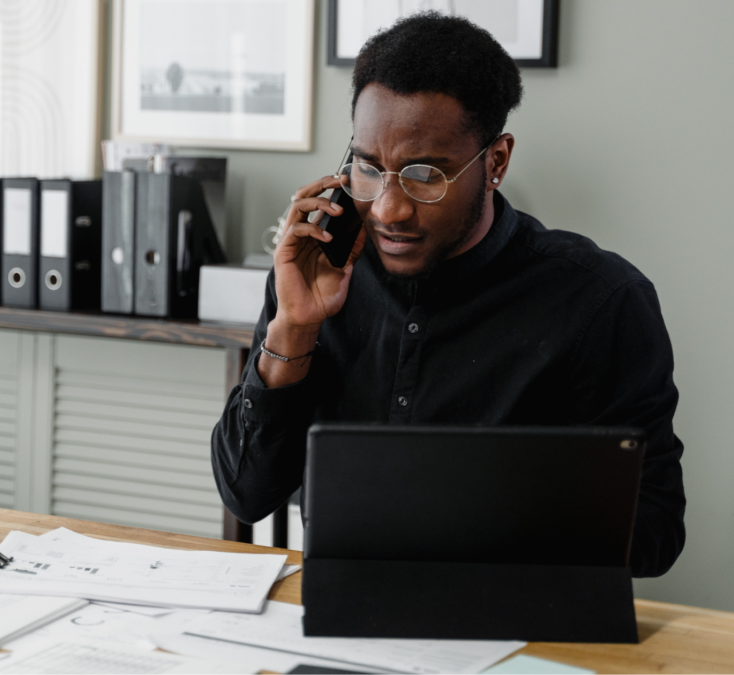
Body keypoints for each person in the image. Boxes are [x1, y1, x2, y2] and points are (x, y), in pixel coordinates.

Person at [210, 13, 685, 577]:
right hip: (345, 618)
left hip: (518, 625)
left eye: (425, 175)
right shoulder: (316, 273)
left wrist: (488, 502)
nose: (389, 208)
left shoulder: (600, 301)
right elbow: (246, 495)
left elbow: (655, 533)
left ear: (496, 162)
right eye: (369, 168)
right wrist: (292, 328)